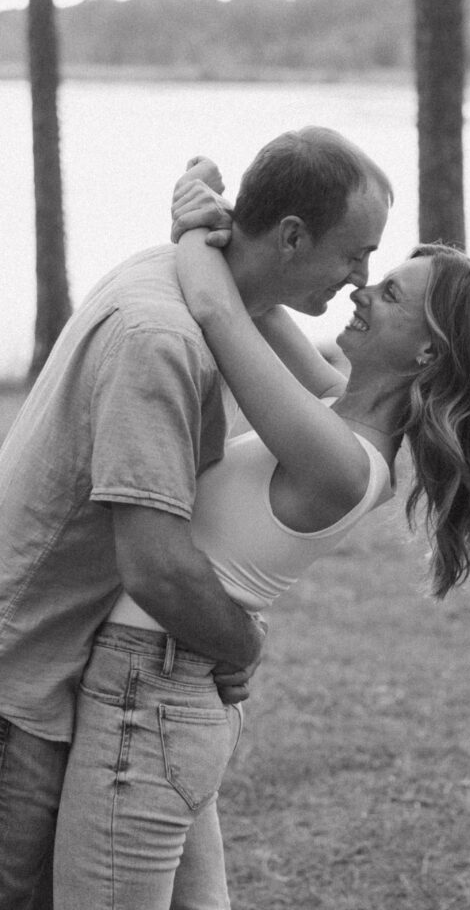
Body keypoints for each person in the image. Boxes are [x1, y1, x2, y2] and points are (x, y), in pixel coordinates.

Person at [51, 173, 470, 908]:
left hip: (151, 697)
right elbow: (251, 295)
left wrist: (187, 221)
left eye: (391, 294)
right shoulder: (334, 405)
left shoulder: (340, 460)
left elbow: (214, 307)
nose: (362, 291)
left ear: (427, 355)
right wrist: (234, 222)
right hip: (173, 689)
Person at [0, 126, 392, 909]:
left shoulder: (181, 286)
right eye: (355, 254)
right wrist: (241, 643)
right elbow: (156, 564)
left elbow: (279, 353)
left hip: (61, 665)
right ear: (290, 236)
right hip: (24, 675)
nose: (359, 279)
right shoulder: (163, 335)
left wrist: (192, 222)